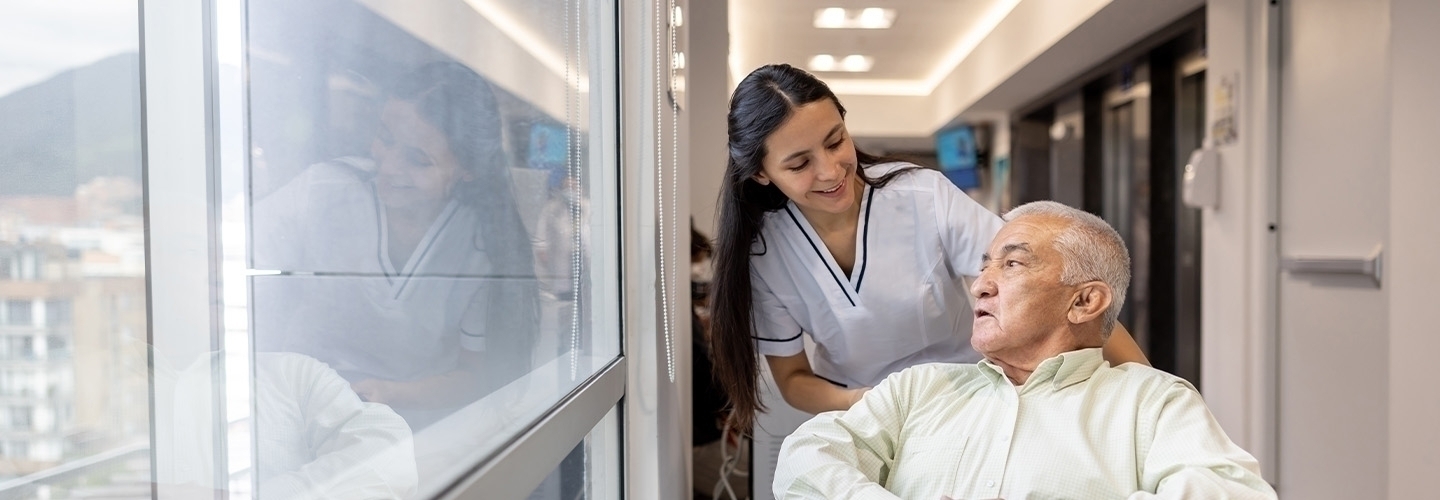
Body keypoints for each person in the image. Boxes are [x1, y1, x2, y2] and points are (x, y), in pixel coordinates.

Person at [708, 64, 1149, 432]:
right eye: (800, 163)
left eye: (836, 140)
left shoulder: (922, 196)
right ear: (762, 173)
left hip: (978, 398)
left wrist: (1150, 392)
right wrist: (869, 403)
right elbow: (793, 379)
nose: (830, 171)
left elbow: (1053, 292)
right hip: (870, 417)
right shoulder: (766, 253)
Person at [773, 201, 1276, 500]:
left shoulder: (1152, 402)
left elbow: (1230, 493)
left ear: (1084, 301)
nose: (979, 286)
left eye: (1011, 266)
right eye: (985, 265)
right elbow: (805, 458)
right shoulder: (918, 388)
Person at [251, 61, 539, 428]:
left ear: (468, 169)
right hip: (296, 407)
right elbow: (235, 256)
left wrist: (389, 393)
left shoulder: (480, 247)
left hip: (413, 429)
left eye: (418, 160)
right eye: (385, 138)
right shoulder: (321, 192)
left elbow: (475, 375)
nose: (389, 166)